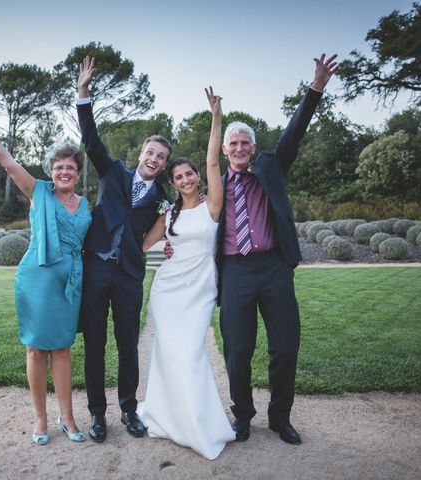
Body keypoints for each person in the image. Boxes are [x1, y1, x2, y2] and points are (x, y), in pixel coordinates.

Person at [217, 53, 339, 445]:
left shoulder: (270, 166)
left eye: (244, 143)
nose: (239, 148)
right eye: (232, 143)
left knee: (285, 346)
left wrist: (316, 87)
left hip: (273, 267)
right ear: (224, 150)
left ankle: (280, 417)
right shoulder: (215, 184)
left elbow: (295, 131)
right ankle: (242, 417)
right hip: (235, 270)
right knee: (238, 352)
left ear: (252, 148)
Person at [0, 103, 92, 446]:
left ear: (78, 172)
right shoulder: (39, 191)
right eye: (59, 167)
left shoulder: (86, 204)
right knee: (36, 350)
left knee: (62, 349)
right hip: (38, 279)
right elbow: (7, 160)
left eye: (70, 168)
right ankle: (40, 417)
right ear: (51, 170)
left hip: (69, 283)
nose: (64, 172)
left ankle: (68, 417)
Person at [137, 88, 235, 460]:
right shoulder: (169, 214)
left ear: (197, 175)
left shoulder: (212, 204)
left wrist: (215, 117)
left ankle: (200, 424)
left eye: (189, 173)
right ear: (173, 182)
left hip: (199, 290)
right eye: (177, 176)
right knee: (168, 353)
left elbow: (214, 161)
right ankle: (166, 416)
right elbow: (143, 243)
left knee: (190, 353)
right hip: (168, 289)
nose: (185, 179)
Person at [76, 56, 170, 442]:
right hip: (96, 268)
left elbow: (172, 226)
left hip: (130, 274)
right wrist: (83, 94)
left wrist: (170, 246)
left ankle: (130, 410)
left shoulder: (164, 198)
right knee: (95, 344)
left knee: (128, 345)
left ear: (164, 166)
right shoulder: (113, 172)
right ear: (141, 154)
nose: (154, 159)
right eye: (151, 153)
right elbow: (91, 140)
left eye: (161, 158)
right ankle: (98, 415)